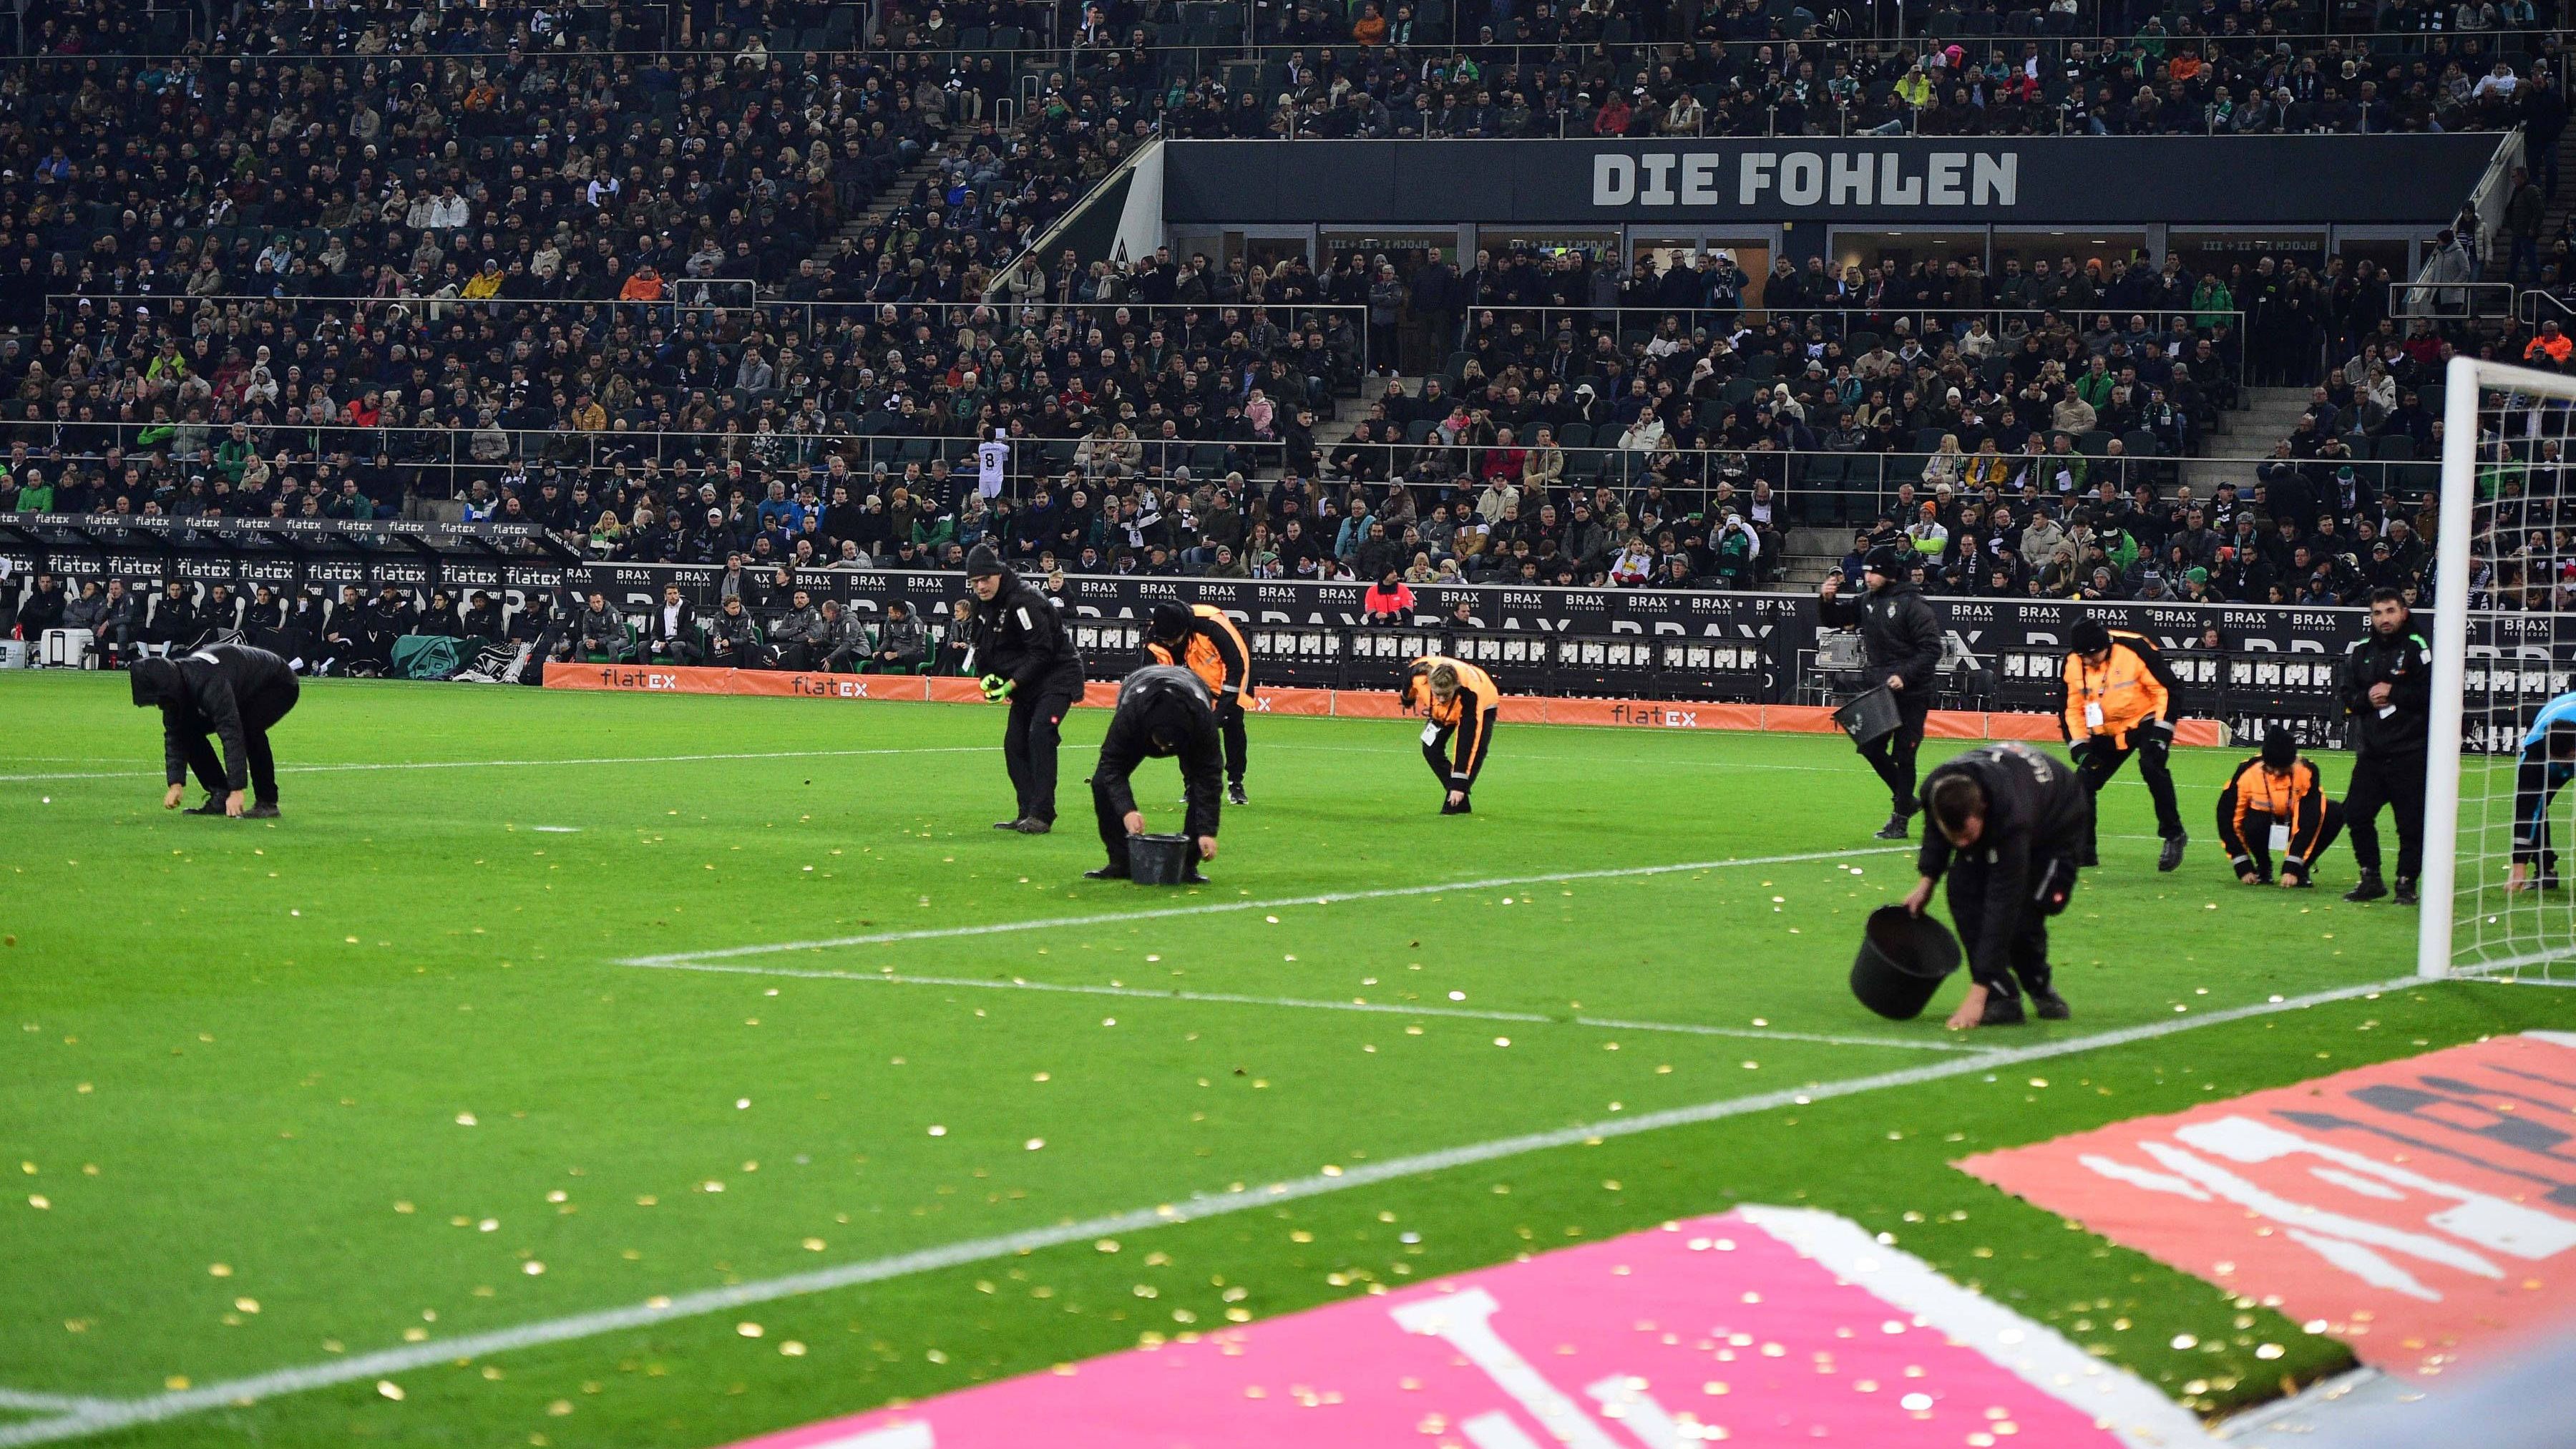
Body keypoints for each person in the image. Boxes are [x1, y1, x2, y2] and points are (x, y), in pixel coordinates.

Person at [1899, 741, 2088, 1030]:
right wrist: (1928, 880)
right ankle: (2003, 998)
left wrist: (1977, 992)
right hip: (2013, 792)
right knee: (1961, 890)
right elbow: (1936, 832)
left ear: (1983, 811)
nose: (1962, 845)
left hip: (2057, 825)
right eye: (1955, 837)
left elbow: (2003, 903)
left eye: (1967, 835)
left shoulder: (2012, 817)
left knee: (2024, 912)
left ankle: (2037, 985)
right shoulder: (1937, 789)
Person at [1819, 546, 1944, 839]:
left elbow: (1931, 649)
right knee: (1870, 747)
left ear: (1887, 573)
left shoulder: (1913, 605)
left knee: (1905, 755)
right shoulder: (1866, 601)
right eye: (1865, 571)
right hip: (1880, 687)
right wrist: (1827, 601)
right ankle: (1907, 800)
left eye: (1872, 572)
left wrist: (1905, 675)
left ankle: (1899, 819)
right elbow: (1838, 620)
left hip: (1913, 691)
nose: (1867, 577)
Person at [965, 543, 1085, 834]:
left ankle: (1042, 814)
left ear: (998, 574)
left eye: (985, 580)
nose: (980, 587)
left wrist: (1009, 685)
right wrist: (987, 678)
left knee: (1041, 734)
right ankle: (1025, 812)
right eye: (974, 582)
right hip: (1026, 683)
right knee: (1014, 744)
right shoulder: (983, 605)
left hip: (1057, 677)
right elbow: (981, 646)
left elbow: (1042, 652)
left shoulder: (1023, 601)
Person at [2062, 618, 2187, 871]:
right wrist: (2080, 749)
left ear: (2106, 644)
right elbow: (2071, 709)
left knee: (2151, 766)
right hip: (2106, 731)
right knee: (2082, 783)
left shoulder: (2135, 649)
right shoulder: (2074, 662)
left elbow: (2167, 690)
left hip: (2145, 720)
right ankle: (2085, 851)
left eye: (2093, 655)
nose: (2088, 661)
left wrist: (2161, 734)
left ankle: (2173, 835)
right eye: (2083, 656)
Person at [1084, 663, 1223, 882]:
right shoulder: (1130, 715)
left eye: (1170, 747)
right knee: (1101, 783)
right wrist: (1127, 810)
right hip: (1140, 689)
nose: (1164, 752)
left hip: (1190, 688)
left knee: (1199, 785)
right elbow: (1112, 766)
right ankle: (1120, 861)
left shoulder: (1202, 723)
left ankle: (1187, 865)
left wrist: (1207, 831)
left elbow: (1210, 779)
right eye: (1161, 745)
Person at [130, 642, 301, 819]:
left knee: (248, 728)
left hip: (277, 683)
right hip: (239, 683)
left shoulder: (210, 684)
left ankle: (267, 802)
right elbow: (175, 735)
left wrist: (237, 791)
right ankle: (220, 794)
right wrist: (175, 784)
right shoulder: (174, 691)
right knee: (188, 731)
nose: (161, 706)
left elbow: (231, 734)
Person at [2341, 587, 2430, 904]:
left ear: (2403, 612)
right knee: (2355, 813)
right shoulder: (2361, 651)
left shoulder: (2418, 647)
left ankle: (2406, 884)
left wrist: (2393, 692)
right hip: (2372, 753)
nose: (2384, 619)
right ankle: (2371, 877)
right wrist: (2366, 698)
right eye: (2378, 613)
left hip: (2410, 752)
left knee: (2410, 823)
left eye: (2390, 611)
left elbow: (2431, 694)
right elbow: (2347, 695)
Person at [1144, 601, 1255, 804]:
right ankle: (1191, 784)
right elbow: (1151, 676)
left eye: (1173, 640)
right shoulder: (1157, 634)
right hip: (1190, 683)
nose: (1169, 644)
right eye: (1165, 640)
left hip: (1226, 681)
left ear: (1185, 630)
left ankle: (1236, 783)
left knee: (1233, 724)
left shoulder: (1213, 626)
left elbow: (1237, 665)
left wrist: (1221, 711)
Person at [2216, 733, 2346, 888]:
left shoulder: (2308, 772)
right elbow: (2228, 818)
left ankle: (2302, 869)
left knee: (2334, 812)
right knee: (2252, 822)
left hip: (2293, 822)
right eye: (2272, 768)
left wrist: (2293, 866)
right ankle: (2263, 867)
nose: (2277, 773)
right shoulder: (2247, 771)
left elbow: (2309, 821)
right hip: (2261, 824)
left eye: (2283, 768)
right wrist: (2243, 865)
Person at [1400, 655, 1498, 814]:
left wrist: (1459, 784)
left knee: (1477, 750)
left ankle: (1455, 801)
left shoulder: (1470, 695)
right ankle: (1460, 799)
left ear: (1455, 687)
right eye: (1438, 694)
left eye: (1447, 694)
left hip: (1484, 700)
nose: (1442, 698)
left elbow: (1466, 741)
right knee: (1430, 748)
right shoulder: (1418, 674)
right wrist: (1407, 699)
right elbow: (1407, 680)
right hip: (1443, 712)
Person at [2509, 694, 2576, 892]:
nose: (2565, 768)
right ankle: (2545, 870)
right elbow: (2526, 810)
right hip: (2549, 740)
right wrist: (2518, 865)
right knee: (2537, 805)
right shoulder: (2534, 755)